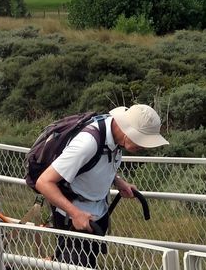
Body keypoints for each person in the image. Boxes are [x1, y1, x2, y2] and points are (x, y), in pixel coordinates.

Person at [35, 104, 169, 268]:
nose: (143, 147)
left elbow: (97, 165)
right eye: (141, 140)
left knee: (87, 262)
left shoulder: (114, 135)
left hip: (97, 214)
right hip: (74, 219)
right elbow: (44, 182)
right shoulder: (87, 142)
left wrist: (118, 182)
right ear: (127, 130)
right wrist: (75, 213)